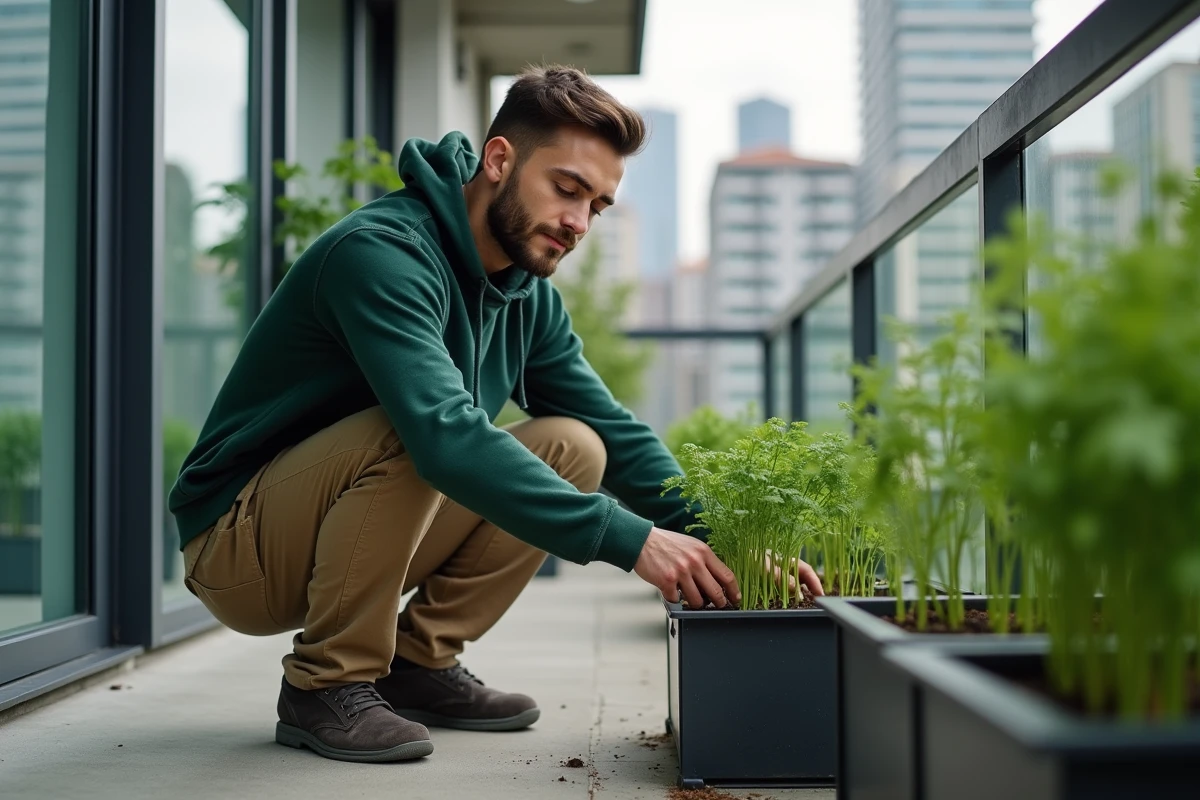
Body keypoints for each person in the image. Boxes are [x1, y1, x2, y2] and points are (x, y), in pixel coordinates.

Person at [169, 64, 821, 764]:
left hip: (345, 527)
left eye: (597, 206)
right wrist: (632, 541)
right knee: (419, 429)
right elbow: (443, 436)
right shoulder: (382, 255)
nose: (577, 223)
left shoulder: (526, 294)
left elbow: (614, 430)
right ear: (500, 159)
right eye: (567, 189)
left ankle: (416, 664)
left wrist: (723, 539)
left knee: (576, 445)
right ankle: (325, 682)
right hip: (240, 546)